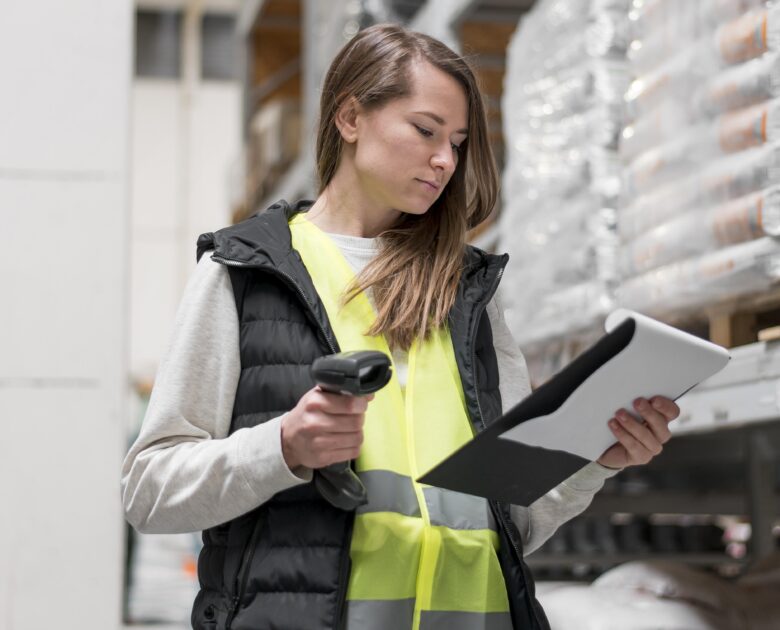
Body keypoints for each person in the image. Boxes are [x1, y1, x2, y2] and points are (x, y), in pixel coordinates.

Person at [121, 23, 680, 630]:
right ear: (350, 117)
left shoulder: (468, 294)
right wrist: (282, 446)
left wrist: (596, 459)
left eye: (459, 142)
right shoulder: (246, 273)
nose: (445, 159)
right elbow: (150, 491)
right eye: (424, 130)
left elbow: (513, 524)